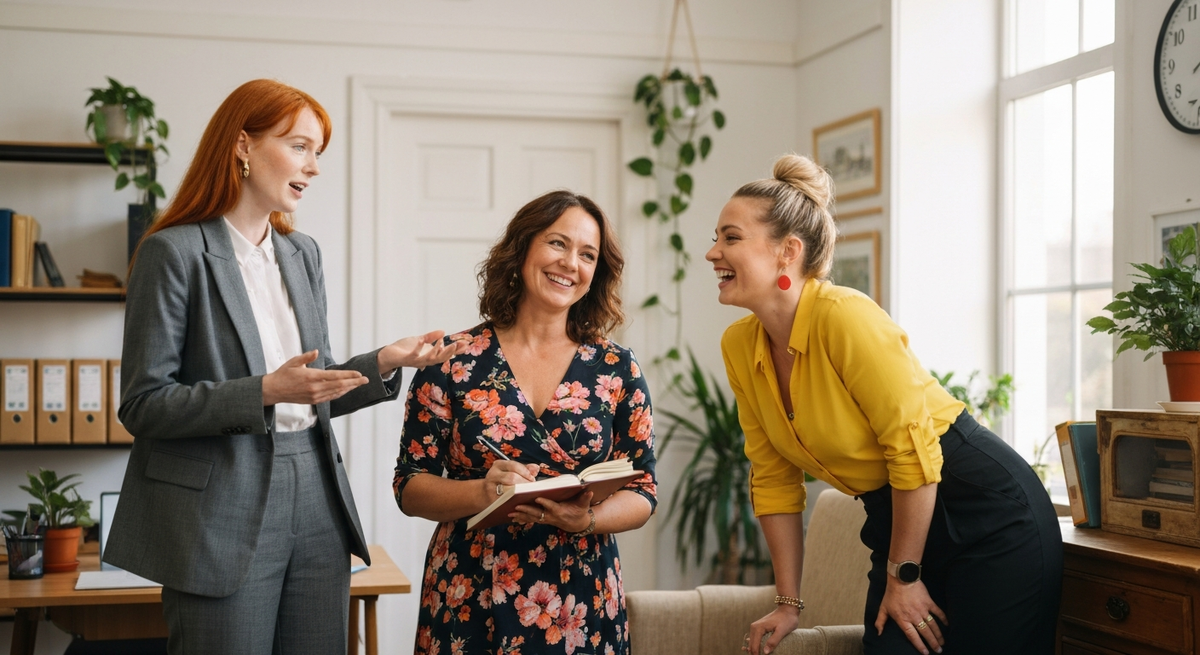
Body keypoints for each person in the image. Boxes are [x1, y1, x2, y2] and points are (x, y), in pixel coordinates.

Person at [104, 79, 467, 655]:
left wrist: (385, 362)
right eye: (300, 146)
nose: (313, 167)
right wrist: (266, 392)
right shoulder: (172, 253)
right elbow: (143, 404)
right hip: (220, 509)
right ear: (243, 145)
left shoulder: (303, 255)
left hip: (316, 495)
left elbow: (310, 391)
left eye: (317, 152)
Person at [708, 154, 1062, 655]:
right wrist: (789, 602)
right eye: (716, 237)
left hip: (986, 513)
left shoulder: (845, 317)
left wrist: (905, 575)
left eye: (730, 237)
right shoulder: (740, 346)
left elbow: (913, 452)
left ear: (788, 251)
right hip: (899, 519)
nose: (712, 252)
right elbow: (771, 477)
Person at [394, 190, 657, 655]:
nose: (570, 263)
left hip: (582, 599)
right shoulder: (451, 361)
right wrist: (482, 492)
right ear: (522, 250)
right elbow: (409, 487)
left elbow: (643, 490)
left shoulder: (617, 366)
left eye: (587, 254)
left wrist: (588, 518)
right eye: (557, 243)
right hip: (469, 594)